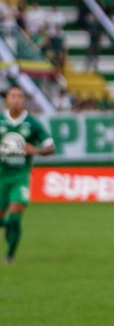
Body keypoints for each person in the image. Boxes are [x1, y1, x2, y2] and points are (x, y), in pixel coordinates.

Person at [1, 86, 55, 264]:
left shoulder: (33, 123)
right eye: (12, 96)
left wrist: (37, 150)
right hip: (1, 176)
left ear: (23, 100)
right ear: (7, 99)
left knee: (16, 212)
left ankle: (10, 257)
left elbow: (51, 147)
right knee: (6, 219)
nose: (16, 99)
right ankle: (9, 226)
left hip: (20, 176)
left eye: (19, 96)